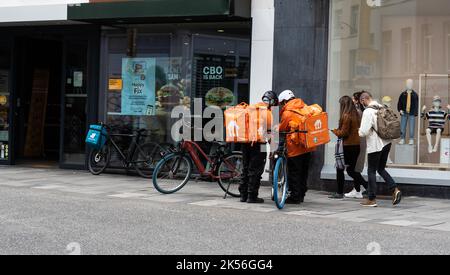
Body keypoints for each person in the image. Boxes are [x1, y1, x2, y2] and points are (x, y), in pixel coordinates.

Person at [358, 92, 402, 207]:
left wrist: (358, 130)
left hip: (375, 145)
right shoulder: (381, 107)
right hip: (387, 143)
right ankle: (394, 189)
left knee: (371, 170)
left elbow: (363, 132)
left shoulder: (368, 111)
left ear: (363, 100)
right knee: (380, 168)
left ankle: (371, 199)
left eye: (361, 102)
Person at [239, 91, 278, 204]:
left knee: (245, 168)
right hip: (259, 144)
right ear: (272, 102)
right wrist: (273, 148)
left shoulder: (251, 108)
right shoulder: (268, 113)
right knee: (256, 170)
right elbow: (270, 133)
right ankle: (252, 196)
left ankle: (243, 195)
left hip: (245, 142)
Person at [278, 90, 315, 204]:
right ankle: (302, 193)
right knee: (304, 171)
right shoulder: (305, 107)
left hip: (294, 147)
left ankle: (295, 196)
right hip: (307, 145)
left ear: (284, 101)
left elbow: (283, 128)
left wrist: (276, 127)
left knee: (294, 172)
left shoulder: (287, 112)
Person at [329, 96, 368, 199]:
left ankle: (340, 192)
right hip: (356, 145)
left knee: (341, 168)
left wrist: (333, 130)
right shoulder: (357, 114)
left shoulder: (346, 116)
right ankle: (365, 187)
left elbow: (343, 133)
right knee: (353, 170)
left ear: (344, 105)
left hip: (348, 146)